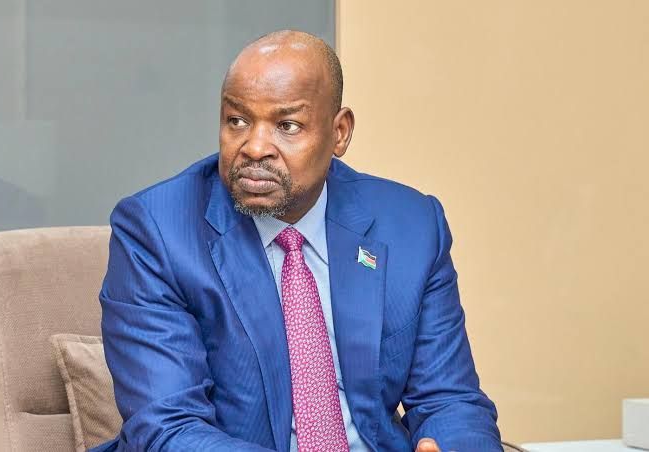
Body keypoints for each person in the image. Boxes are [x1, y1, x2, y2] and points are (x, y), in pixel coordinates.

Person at [93, 30, 502, 452]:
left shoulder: (410, 225)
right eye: (237, 121)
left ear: (339, 132)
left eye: (286, 125)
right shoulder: (158, 231)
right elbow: (169, 429)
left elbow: (450, 400)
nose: (254, 147)